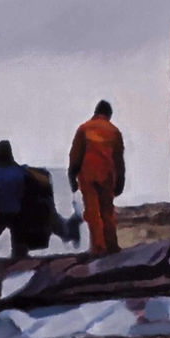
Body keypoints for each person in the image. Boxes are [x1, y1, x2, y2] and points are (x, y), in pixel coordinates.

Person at [0, 140, 79, 258]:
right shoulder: (19, 172)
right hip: (17, 214)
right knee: (45, 211)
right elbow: (43, 180)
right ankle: (67, 233)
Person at [68, 100, 125, 255]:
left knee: (93, 212)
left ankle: (99, 248)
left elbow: (75, 155)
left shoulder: (84, 129)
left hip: (88, 175)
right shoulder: (114, 131)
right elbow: (119, 160)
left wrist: (72, 175)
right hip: (107, 176)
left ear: (96, 112)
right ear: (109, 115)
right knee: (108, 211)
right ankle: (112, 246)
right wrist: (120, 181)